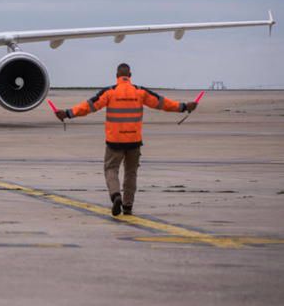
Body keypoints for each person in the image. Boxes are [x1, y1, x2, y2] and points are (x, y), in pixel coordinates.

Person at [54, 63, 197, 216]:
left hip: (114, 141)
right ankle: (128, 206)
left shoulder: (109, 92)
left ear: (117, 76)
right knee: (131, 173)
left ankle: (116, 195)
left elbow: (89, 106)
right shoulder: (140, 92)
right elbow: (162, 103)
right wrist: (184, 107)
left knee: (111, 169)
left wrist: (68, 113)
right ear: (130, 75)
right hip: (134, 141)